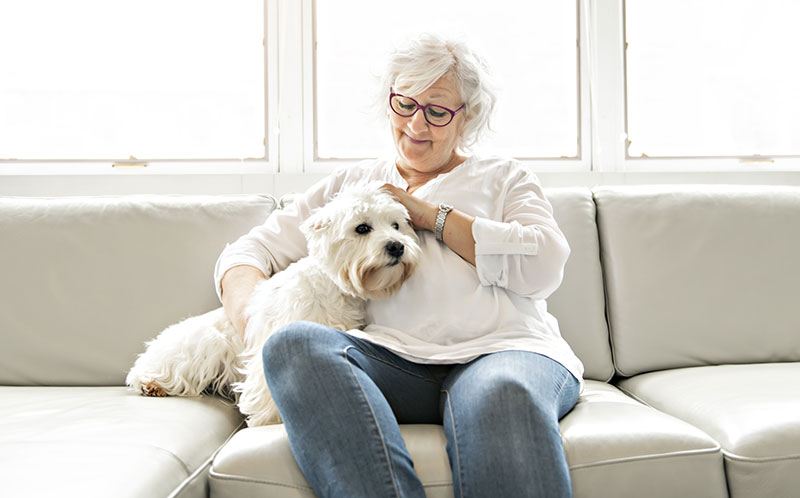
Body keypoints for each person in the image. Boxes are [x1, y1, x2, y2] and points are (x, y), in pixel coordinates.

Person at [214, 33, 584, 498]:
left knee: (500, 393)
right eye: (404, 104)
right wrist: (252, 319)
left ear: (466, 117)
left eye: (436, 110)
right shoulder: (353, 183)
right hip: (392, 360)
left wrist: (430, 216)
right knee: (291, 345)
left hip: (504, 351)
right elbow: (248, 253)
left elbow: (545, 265)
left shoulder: (504, 177)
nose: (416, 123)